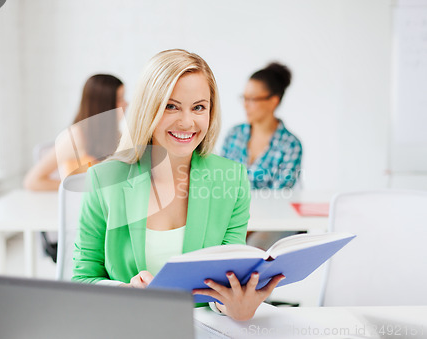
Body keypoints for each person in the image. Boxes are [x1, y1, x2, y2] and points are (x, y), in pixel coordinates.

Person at [71, 49, 284, 321]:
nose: (187, 121)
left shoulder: (232, 179)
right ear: (149, 108)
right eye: (171, 106)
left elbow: (227, 278)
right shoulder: (105, 179)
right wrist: (126, 292)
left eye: (198, 107)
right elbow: (82, 278)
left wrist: (233, 306)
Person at [23, 74, 127, 191]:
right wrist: (76, 187)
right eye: (120, 99)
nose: (126, 103)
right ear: (104, 105)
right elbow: (32, 181)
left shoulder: (117, 135)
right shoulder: (75, 137)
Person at [222, 63, 302, 189]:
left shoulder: (291, 146)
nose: (245, 105)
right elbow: (220, 183)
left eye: (252, 99)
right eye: (244, 98)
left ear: (273, 101)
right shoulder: (234, 134)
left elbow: (279, 196)